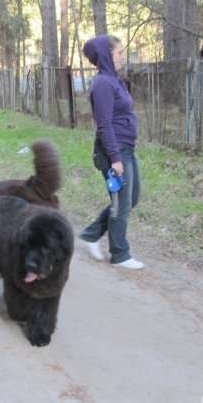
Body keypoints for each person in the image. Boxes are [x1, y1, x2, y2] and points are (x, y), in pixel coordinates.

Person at [79, 34, 144, 270]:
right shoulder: (103, 84)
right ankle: (120, 254)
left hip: (126, 147)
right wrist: (115, 159)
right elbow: (104, 126)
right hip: (113, 151)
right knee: (121, 203)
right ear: (107, 55)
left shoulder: (113, 80)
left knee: (131, 197)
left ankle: (90, 234)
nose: (122, 58)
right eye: (118, 53)